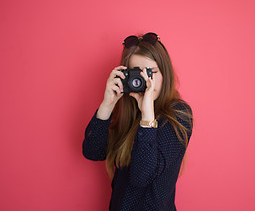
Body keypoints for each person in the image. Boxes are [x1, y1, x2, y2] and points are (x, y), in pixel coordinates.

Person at [82, 32, 194, 211]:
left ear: (165, 74)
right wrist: (107, 105)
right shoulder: (128, 112)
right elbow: (92, 151)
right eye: (137, 73)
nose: (145, 81)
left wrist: (147, 113)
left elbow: (142, 176)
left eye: (152, 72)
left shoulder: (179, 115)